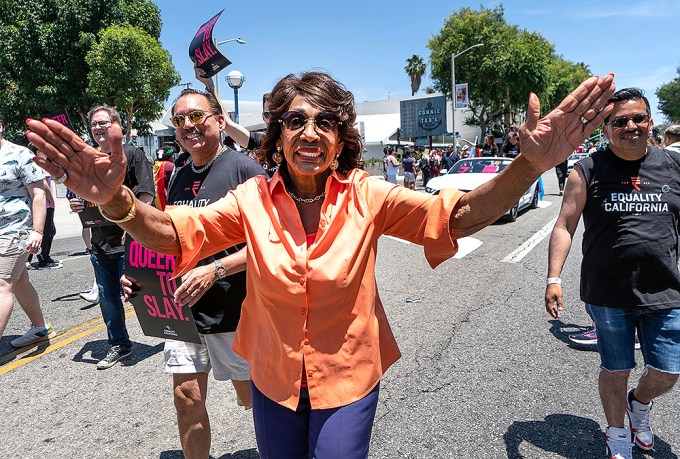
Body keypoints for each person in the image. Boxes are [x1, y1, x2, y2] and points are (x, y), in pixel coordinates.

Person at [28, 71, 615, 458]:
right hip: (274, 380)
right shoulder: (252, 199)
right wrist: (117, 201)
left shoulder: (368, 194)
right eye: (296, 121)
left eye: (325, 122)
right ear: (278, 135)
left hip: (349, 377)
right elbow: (175, 232)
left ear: (341, 138)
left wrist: (529, 167)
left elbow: (455, 218)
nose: (310, 133)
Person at [124, 88, 264, 459]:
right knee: (185, 398)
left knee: (253, 400)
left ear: (220, 120)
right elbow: (171, 239)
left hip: (235, 309)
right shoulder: (176, 177)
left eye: (197, 116)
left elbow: (273, 242)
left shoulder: (245, 169)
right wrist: (140, 277)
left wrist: (216, 269)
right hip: (182, 313)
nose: (189, 125)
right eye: (180, 119)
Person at [544, 87, 679, 459]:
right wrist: (554, 278)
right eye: (620, 121)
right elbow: (564, 225)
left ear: (651, 122)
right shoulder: (587, 169)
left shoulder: (673, 166)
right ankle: (617, 434)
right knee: (616, 368)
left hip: (666, 291)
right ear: (606, 129)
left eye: (638, 118)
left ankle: (640, 403)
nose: (630, 126)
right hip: (607, 293)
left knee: (668, 371)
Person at [69, 105, 154, 370]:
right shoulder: (91, 158)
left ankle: (179, 334)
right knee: (107, 298)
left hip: (131, 242)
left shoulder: (133, 154)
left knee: (148, 294)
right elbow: (85, 197)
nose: (98, 128)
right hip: (100, 244)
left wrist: (133, 231)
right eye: (94, 124)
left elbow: (146, 195)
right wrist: (78, 205)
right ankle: (119, 343)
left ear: (116, 125)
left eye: (103, 123)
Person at [0, 118, 55, 347]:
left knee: (2, 285)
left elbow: (39, 194)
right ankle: (40, 328)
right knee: (19, 281)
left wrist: (37, 231)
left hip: (16, 229)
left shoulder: (19, 154)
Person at [152, 142, 178, 210]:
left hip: (155, 198)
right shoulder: (170, 166)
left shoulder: (155, 165)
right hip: (165, 198)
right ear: (169, 156)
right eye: (172, 155)